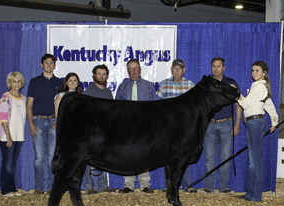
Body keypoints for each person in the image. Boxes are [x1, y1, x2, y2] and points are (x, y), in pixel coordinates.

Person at [236, 61, 278, 202]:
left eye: (257, 70)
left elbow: (245, 104)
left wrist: (237, 94)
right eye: (253, 70)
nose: (254, 73)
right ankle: (251, 193)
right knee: (253, 160)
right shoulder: (260, 86)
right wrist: (274, 121)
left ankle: (255, 195)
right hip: (255, 123)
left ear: (264, 72)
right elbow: (268, 104)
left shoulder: (259, 87)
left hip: (254, 123)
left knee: (255, 161)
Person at [200, 57, 242, 194]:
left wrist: (237, 125)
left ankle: (224, 187)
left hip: (227, 123)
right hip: (210, 124)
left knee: (225, 157)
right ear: (210, 67)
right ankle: (209, 187)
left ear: (223, 68)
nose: (216, 69)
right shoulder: (206, 84)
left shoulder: (231, 84)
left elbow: (239, 104)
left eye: (218, 66)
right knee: (209, 157)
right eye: (213, 66)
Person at [115, 59, 156, 193]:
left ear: (140, 69)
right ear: (128, 71)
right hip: (127, 126)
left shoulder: (149, 86)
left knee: (145, 153)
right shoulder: (122, 87)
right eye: (131, 69)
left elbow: (154, 107)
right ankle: (129, 184)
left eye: (136, 68)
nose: (134, 71)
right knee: (127, 153)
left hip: (144, 125)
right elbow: (117, 108)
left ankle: (145, 184)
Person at [157, 59, 197, 193]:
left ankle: (187, 185)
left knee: (185, 155)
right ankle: (168, 185)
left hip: (185, 127)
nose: (177, 70)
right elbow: (158, 106)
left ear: (184, 70)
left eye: (180, 68)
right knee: (167, 156)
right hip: (168, 127)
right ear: (171, 69)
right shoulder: (163, 85)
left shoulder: (191, 85)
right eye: (175, 68)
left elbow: (195, 107)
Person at [26, 54, 64, 195]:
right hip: (38, 121)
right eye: (46, 63)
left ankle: (51, 187)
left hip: (53, 121)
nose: (48, 65)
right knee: (39, 158)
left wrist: (58, 122)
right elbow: (29, 105)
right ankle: (39, 186)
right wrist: (30, 124)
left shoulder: (60, 83)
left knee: (51, 157)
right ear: (42, 65)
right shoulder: (34, 82)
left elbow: (62, 105)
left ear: (54, 65)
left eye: (51, 63)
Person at [82, 65, 116, 195]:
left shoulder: (108, 92)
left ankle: (103, 185)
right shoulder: (89, 91)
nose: (101, 76)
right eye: (99, 74)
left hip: (105, 131)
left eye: (104, 74)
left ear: (107, 76)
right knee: (89, 158)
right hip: (92, 130)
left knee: (104, 158)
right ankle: (89, 186)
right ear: (94, 75)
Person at [0, 72, 26, 197]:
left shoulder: (23, 98)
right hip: (7, 135)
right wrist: (8, 135)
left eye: (18, 81)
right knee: (8, 163)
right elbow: (2, 117)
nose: (16, 84)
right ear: (10, 83)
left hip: (19, 135)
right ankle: (6, 189)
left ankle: (12, 188)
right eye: (14, 81)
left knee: (13, 163)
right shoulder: (5, 97)